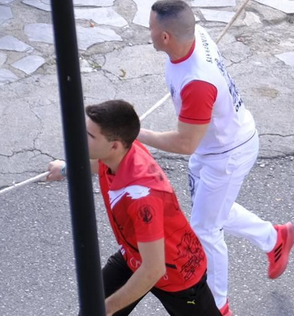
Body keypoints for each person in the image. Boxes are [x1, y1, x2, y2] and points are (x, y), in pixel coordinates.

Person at [139, 0, 294, 316]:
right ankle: (274, 237)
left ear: (166, 37)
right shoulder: (197, 37)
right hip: (218, 146)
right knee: (211, 213)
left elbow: (185, 143)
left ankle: (219, 305)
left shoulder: (196, 84)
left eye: (152, 28)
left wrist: (137, 134)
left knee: (206, 230)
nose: (149, 33)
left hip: (224, 156)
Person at [47, 99, 221, 316]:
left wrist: (108, 308)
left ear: (115, 145)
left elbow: (154, 269)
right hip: (136, 255)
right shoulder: (121, 152)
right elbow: (100, 163)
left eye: (90, 136)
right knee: (92, 308)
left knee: (101, 308)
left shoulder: (142, 196)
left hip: (176, 274)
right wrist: (66, 169)